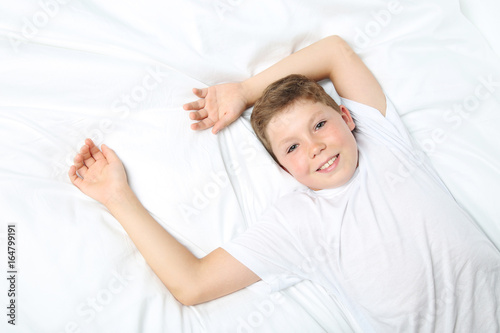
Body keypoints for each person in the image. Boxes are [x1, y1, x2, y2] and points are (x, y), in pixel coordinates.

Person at [69, 36, 500, 331]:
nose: (313, 147)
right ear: (282, 167)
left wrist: (244, 90)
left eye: (319, 125)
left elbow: (335, 53)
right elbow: (192, 283)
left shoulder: (383, 138)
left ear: (348, 119)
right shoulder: (298, 222)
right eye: (291, 148)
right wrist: (117, 197)